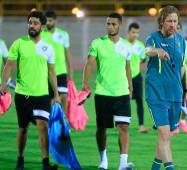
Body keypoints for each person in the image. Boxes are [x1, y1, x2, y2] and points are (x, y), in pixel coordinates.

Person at [0, 11, 60, 170]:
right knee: (23, 128)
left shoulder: (48, 48)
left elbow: (52, 72)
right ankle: (20, 160)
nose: (31, 26)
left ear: (42, 26)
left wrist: (57, 94)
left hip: (42, 95)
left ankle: (45, 163)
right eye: (30, 22)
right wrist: (3, 83)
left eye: (35, 23)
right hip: (23, 94)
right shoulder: (18, 43)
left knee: (42, 125)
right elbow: (9, 65)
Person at [82, 13, 134, 170]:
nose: (110, 26)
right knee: (102, 129)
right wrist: (85, 83)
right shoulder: (97, 43)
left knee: (124, 127)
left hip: (122, 93)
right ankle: (103, 159)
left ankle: (123, 164)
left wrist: (130, 86)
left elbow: (128, 67)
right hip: (103, 93)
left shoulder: (126, 45)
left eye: (113, 24)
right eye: (108, 24)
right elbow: (89, 64)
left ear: (120, 25)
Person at [145, 5, 187, 170]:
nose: (172, 24)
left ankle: (155, 167)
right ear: (162, 22)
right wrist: (157, 51)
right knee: (163, 134)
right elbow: (147, 50)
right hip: (156, 94)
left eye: (175, 21)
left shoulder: (181, 41)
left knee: (166, 137)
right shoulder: (153, 38)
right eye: (169, 21)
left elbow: (181, 68)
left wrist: (186, 90)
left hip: (175, 95)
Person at [41, 10, 73, 115]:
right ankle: (51, 120)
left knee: (63, 96)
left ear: (55, 21)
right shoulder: (41, 34)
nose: (48, 23)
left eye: (50, 20)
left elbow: (67, 54)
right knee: (49, 98)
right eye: (46, 21)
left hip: (60, 71)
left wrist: (70, 71)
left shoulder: (63, 35)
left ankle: (64, 119)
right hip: (46, 72)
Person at [173, 22, 187, 134]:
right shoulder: (168, 42)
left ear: (180, 29)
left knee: (186, 102)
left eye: (178, 28)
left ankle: (182, 121)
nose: (176, 29)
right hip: (173, 79)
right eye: (174, 27)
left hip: (184, 78)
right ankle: (175, 124)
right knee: (175, 102)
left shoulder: (185, 43)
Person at [127, 22, 149, 133]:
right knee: (124, 101)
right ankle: (122, 123)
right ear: (128, 32)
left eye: (137, 33)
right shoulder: (122, 44)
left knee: (140, 101)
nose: (135, 35)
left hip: (137, 77)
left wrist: (136, 64)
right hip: (124, 78)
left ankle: (141, 125)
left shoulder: (140, 45)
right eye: (133, 32)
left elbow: (144, 58)